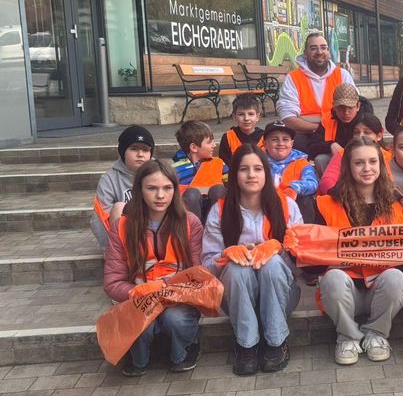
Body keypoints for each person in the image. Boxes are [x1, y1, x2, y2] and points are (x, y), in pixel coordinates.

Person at [202, 145, 302, 376]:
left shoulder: (287, 205)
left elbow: (302, 261)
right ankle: (246, 346)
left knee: (272, 263)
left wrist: (279, 249)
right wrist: (226, 256)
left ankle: (276, 342)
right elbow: (207, 264)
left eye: (258, 168)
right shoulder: (220, 210)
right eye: (244, 169)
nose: (251, 175)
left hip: (281, 294)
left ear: (266, 173)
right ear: (234, 174)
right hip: (236, 298)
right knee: (238, 270)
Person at [313, 138, 403, 366]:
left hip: (380, 289)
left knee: (397, 277)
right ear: (348, 167)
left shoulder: (398, 202)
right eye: (359, 163)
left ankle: (377, 335)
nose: (367, 168)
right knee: (333, 278)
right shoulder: (326, 203)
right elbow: (314, 259)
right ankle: (347, 337)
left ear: (381, 165)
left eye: (372, 161)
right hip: (344, 291)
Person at [103, 159, 203, 376]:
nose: (160, 195)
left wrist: (173, 292)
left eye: (167, 188)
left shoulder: (190, 222)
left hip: (178, 298)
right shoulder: (122, 226)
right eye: (152, 188)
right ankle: (140, 356)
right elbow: (112, 281)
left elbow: (198, 273)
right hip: (139, 298)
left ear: (175, 190)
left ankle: (183, 349)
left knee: (174, 319)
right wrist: (136, 292)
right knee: (144, 321)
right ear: (139, 190)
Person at [276, 30, 357, 152]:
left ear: (328, 52)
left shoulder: (342, 75)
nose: (319, 52)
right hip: (305, 135)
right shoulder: (293, 78)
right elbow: (288, 118)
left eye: (323, 48)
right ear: (305, 53)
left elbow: (356, 106)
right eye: (313, 48)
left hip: (339, 132)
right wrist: (321, 129)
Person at [91, 125, 155, 251]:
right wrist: (109, 248)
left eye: (145, 150)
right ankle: (119, 253)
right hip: (126, 237)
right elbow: (100, 216)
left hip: (156, 232)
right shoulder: (109, 179)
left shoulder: (160, 173)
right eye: (134, 149)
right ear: (123, 152)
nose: (140, 154)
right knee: (116, 208)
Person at [307, 82, 374, 174]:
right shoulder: (328, 121)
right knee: (321, 159)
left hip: (363, 162)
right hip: (338, 164)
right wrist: (331, 145)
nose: (346, 112)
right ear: (334, 106)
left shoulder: (368, 121)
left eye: (350, 107)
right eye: (341, 107)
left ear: (358, 106)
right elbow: (311, 148)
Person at [172, 120, 228, 223]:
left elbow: (231, 184)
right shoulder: (175, 169)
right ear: (194, 147)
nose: (214, 145)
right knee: (191, 194)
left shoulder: (219, 163)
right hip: (190, 218)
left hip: (217, 217)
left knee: (219, 190)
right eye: (209, 142)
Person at [263, 120, 318, 223]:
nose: (280, 143)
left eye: (285, 139)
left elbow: (313, 183)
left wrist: (294, 188)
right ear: (265, 143)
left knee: (306, 200)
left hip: (293, 206)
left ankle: (304, 235)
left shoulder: (301, 162)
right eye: (274, 139)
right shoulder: (257, 161)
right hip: (265, 206)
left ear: (292, 143)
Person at [318, 115, 384, 195]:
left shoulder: (388, 155)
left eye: (367, 132)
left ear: (379, 136)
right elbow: (326, 182)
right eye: (356, 132)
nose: (360, 136)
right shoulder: (343, 154)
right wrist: (343, 198)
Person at [219, 94, 265, 167]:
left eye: (251, 114)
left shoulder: (265, 137)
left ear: (257, 117)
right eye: (241, 114)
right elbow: (224, 165)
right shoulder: (228, 137)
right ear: (234, 117)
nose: (246, 118)